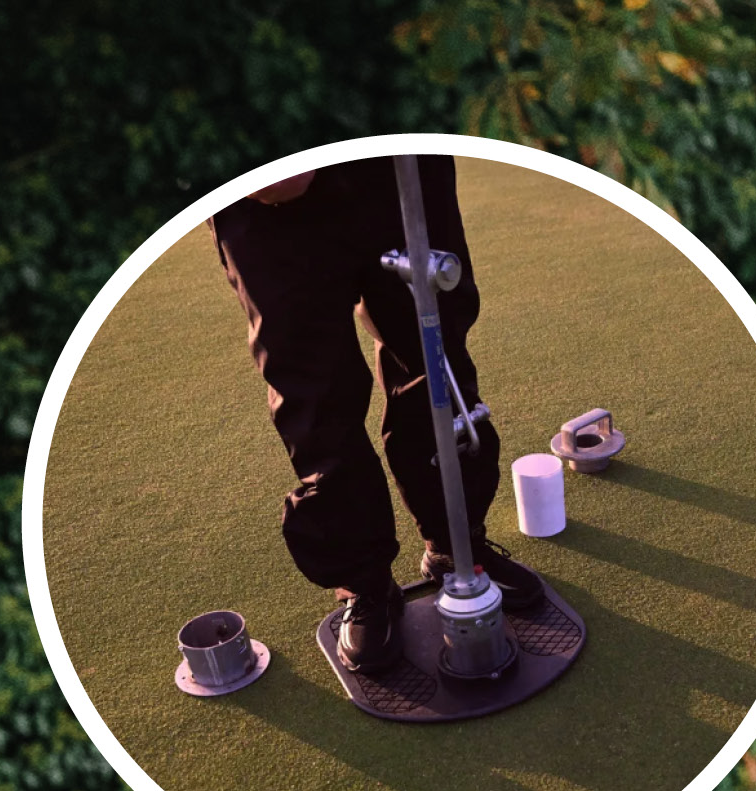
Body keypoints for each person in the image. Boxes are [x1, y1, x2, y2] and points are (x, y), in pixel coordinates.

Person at [211, 156, 550, 673]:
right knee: (314, 391)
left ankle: (457, 547)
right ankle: (365, 583)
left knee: (434, 353)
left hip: (394, 166)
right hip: (266, 199)